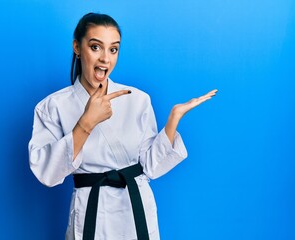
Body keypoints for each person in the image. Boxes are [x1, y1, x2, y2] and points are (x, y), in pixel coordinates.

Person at [28, 12, 217, 240]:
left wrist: (172, 121)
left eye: (113, 49)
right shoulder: (51, 106)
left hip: (135, 207)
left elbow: (151, 167)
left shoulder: (138, 99)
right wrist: (86, 123)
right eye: (95, 47)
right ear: (77, 47)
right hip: (91, 210)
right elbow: (47, 173)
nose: (105, 59)